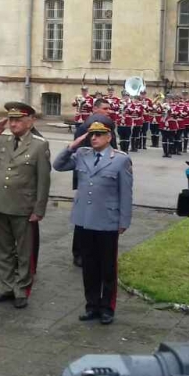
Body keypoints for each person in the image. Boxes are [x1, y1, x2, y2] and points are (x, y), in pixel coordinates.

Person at [53, 118, 133, 325]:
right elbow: (59, 165)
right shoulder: (82, 154)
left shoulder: (121, 160)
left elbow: (126, 193)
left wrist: (124, 220)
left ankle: (107, 307)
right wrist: (71, 145)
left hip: (108, 220)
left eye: (99, 134)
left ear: (109, 137)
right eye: (91, 134)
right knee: (89, 267)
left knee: (107, 267)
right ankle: (92, 305)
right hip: (84, 219)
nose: (94, 138)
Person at [0, 102, 51, 309]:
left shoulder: (39, 144)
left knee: (25, 252)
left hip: (24, 207)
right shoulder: (2, 139)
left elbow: (43, 181)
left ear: (30, 121)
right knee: (3, 250)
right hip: (1, 203)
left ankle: (21, 289)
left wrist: (39, 209)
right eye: (11, 119)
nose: (13, 123)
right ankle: (7, 286)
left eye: (18, 120)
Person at [71, 103, 117, 267]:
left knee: (99, 215)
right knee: (83, 219)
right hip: (87, 179)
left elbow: (114, 150)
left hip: (104, 179)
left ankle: (94, 251)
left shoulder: (108, 125)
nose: (108, 111)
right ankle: (79, 253)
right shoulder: (85, 128)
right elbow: (77, 155)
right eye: (104, 108)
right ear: (95, 109)